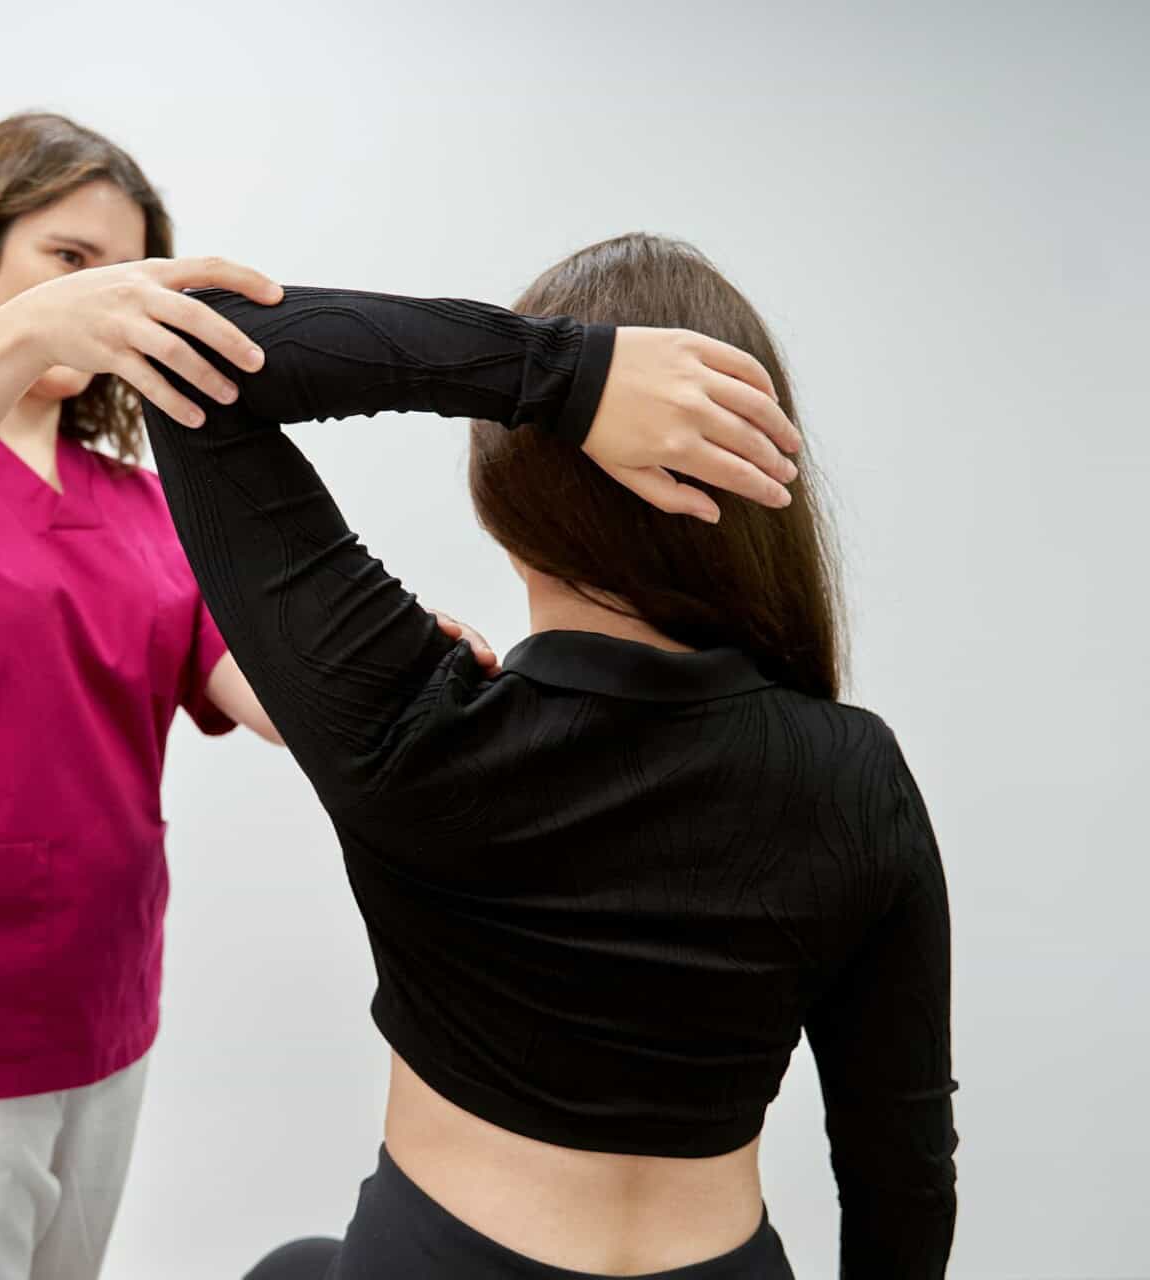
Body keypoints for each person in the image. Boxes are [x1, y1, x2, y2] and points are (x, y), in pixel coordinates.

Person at [0, 112, 573, 1280]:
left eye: (116, 273)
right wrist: (26, 340)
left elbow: (273, 684)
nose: (95, 294)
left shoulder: (143, 506)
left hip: (97, 1017)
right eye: (66, 260)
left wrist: (406, 664)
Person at [138, 236, 958, 1278]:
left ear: (507, 486)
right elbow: (903, 1175)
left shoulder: (410, 722)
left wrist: (560, 375)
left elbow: (182, 352)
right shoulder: (858, 773)